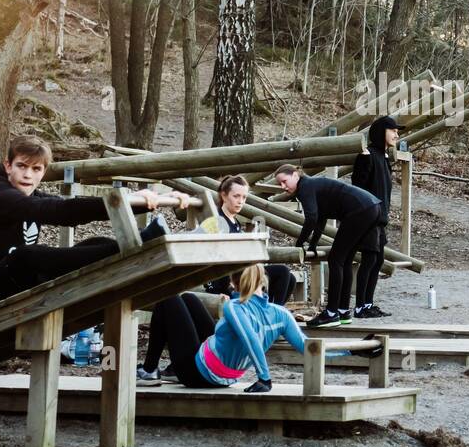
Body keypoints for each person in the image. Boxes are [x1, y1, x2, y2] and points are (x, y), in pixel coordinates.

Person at [0, 135, 193, 312]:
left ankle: (140, 242)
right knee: (26, 256)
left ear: (43, 172)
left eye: (36, 169)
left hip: (11, 281)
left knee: (94, 242)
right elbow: (60, 212)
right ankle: (146, 240)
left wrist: (145, 201)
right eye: (21, 166)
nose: (28, 175)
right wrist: (125, 201)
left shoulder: (28, 196)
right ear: (7, 166)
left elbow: (65, 205)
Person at [136, 264, 307, 391]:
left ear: (233, 282)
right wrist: (325, 358)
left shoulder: (234, 307)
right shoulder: (281, 313)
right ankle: (170, 370)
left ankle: (149, 370)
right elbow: (307, 346)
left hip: (196, 375)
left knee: (168, 297)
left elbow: (250, 338)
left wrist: (265, 379)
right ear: (262, 279)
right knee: (189, 298)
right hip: (225, 375)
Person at [274, 164, 381, 328]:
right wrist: (313, 245)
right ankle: (343, 311)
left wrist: (300, 243)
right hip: (371, 207)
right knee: (345, 260)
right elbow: (320, 219)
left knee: (335, 260)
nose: (283, 187)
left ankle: (331, 313)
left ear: (295, 175)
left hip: (360, 209)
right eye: (279, 184)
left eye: (284, 181)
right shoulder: (312, 186)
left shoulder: (305, 187)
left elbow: (311, 218)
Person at [197, 174, 296, 306]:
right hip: (228, 281)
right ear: (224, 196)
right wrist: (215, 290)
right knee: (282, 272)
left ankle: (269, 309)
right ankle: (268, 311)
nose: (240, 201)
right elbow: (206, 257)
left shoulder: (235, 222)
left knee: (291, 279)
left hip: (242, 273)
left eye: (244, 197)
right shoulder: (217, 221)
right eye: (236, 196)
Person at [350, 115, 404, 319]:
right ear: (382, 131)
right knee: (369, 259)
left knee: (377, 260)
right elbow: (358, 186)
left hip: (380, 219)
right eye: (393, 131)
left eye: (397, 131)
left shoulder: (383, 157)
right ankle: (360, 307)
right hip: (368, 218)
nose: (396, 135)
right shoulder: (367, 155)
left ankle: (368, 304)